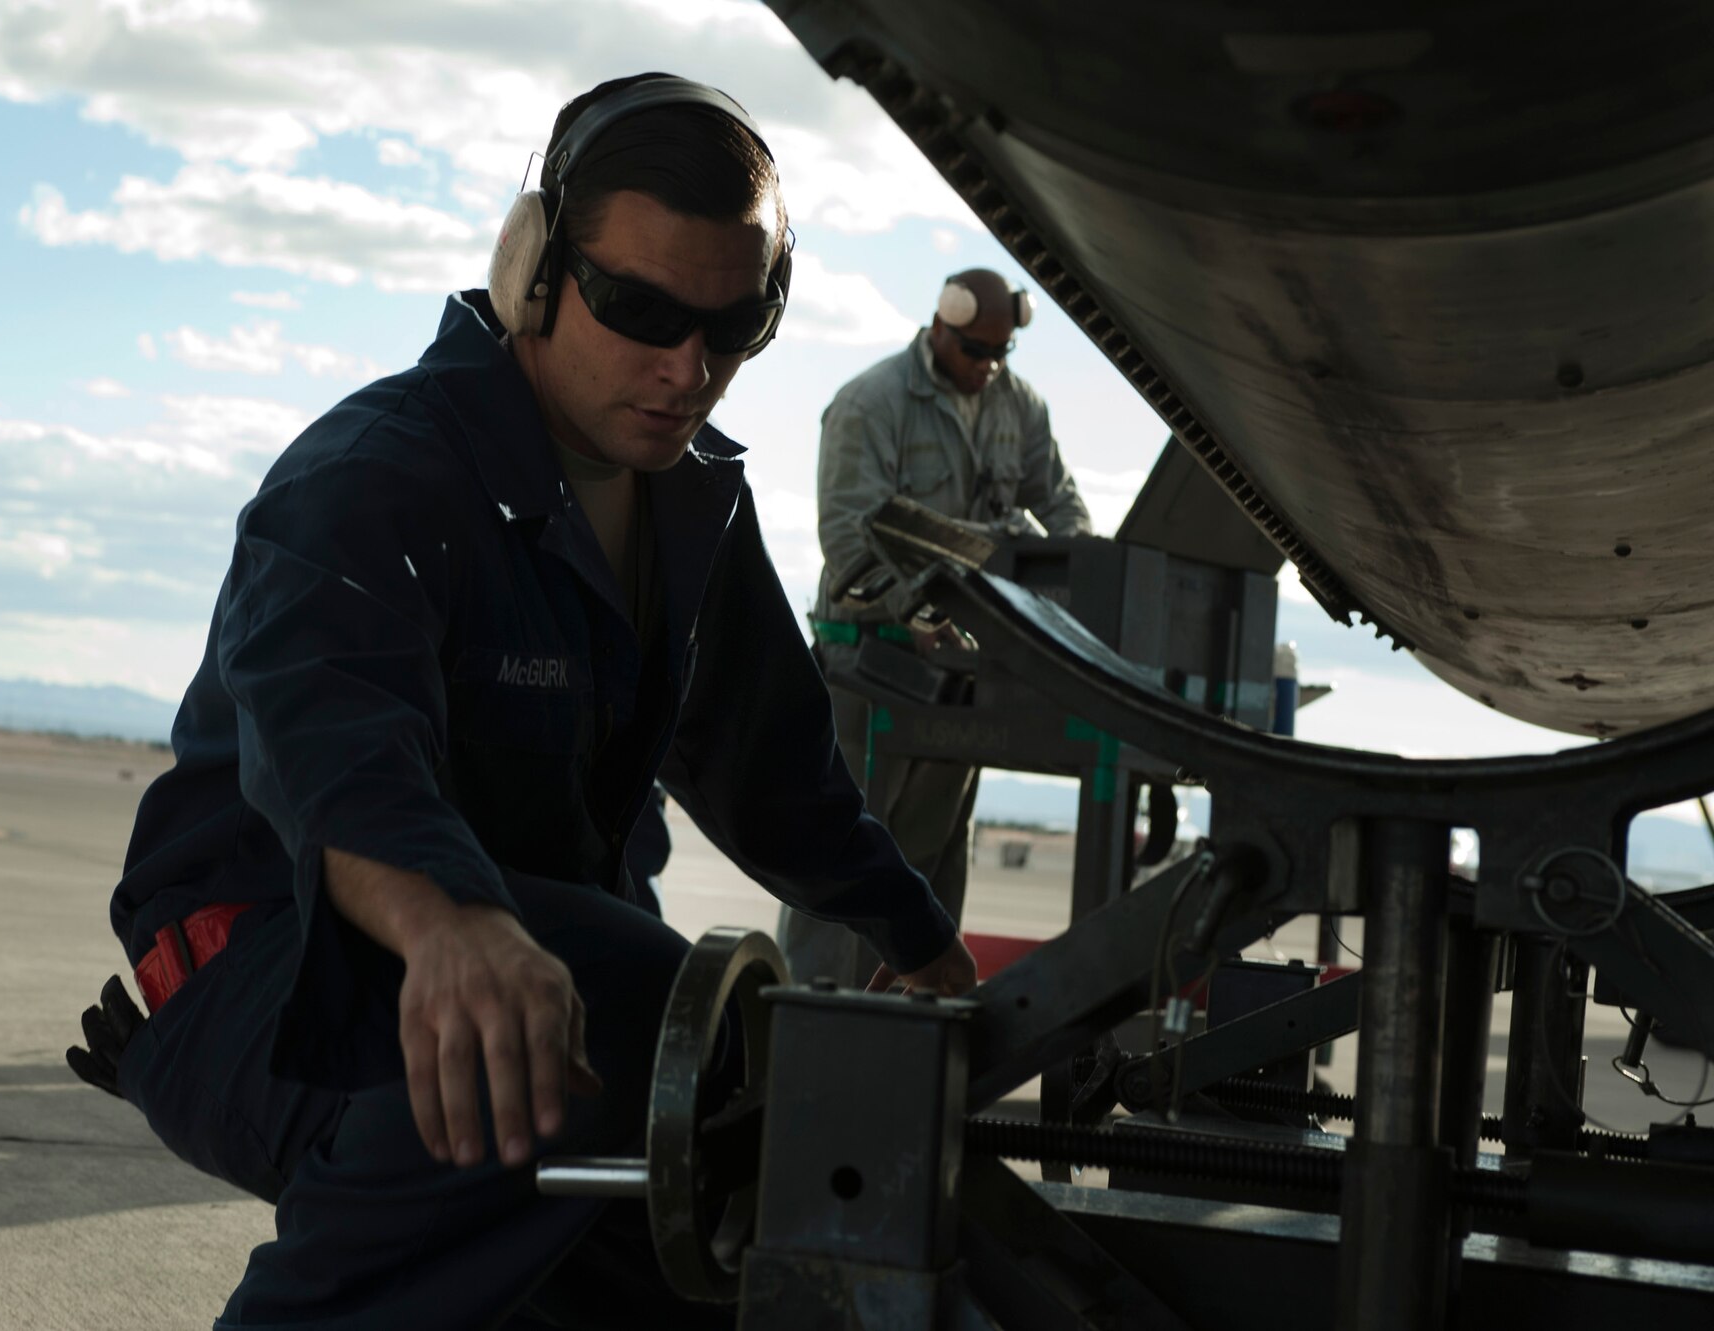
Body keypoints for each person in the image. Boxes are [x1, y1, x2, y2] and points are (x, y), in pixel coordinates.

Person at [65, 73, 975, 1331]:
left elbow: (777, 778)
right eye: (640, 309)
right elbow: (333, 748)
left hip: (525, 995)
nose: (684, 367)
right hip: (275, 980)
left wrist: (927, 952)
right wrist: (450, 925)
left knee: (714, 1194)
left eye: (730, 328)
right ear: (534, 268)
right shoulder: (375, 476)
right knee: (623, 989)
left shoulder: (692, 508)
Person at [782, 269, 1091, 987]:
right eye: (976, 351)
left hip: (964, 673)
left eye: (1001, 353)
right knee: (841, 863)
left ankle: (909, 1040)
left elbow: (1070, 519)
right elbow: (851, 539)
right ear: (940, 330)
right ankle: (812, 1035)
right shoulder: (872, 402)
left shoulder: (1021, 407)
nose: (988, 367)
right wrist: (918, 612)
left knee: (931, 866)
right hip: (872, 665)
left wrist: (1039, 589)